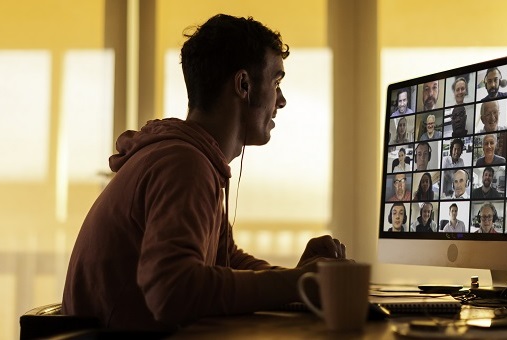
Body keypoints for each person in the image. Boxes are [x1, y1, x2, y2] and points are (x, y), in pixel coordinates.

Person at [62, 14, 348, 332]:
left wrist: (299, 276)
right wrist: (297, 282)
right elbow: (172, 291)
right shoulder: (184, 165)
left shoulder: (185, 157)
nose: (281, 100)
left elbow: (224, 261)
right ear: (243, 85)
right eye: (276, 82)